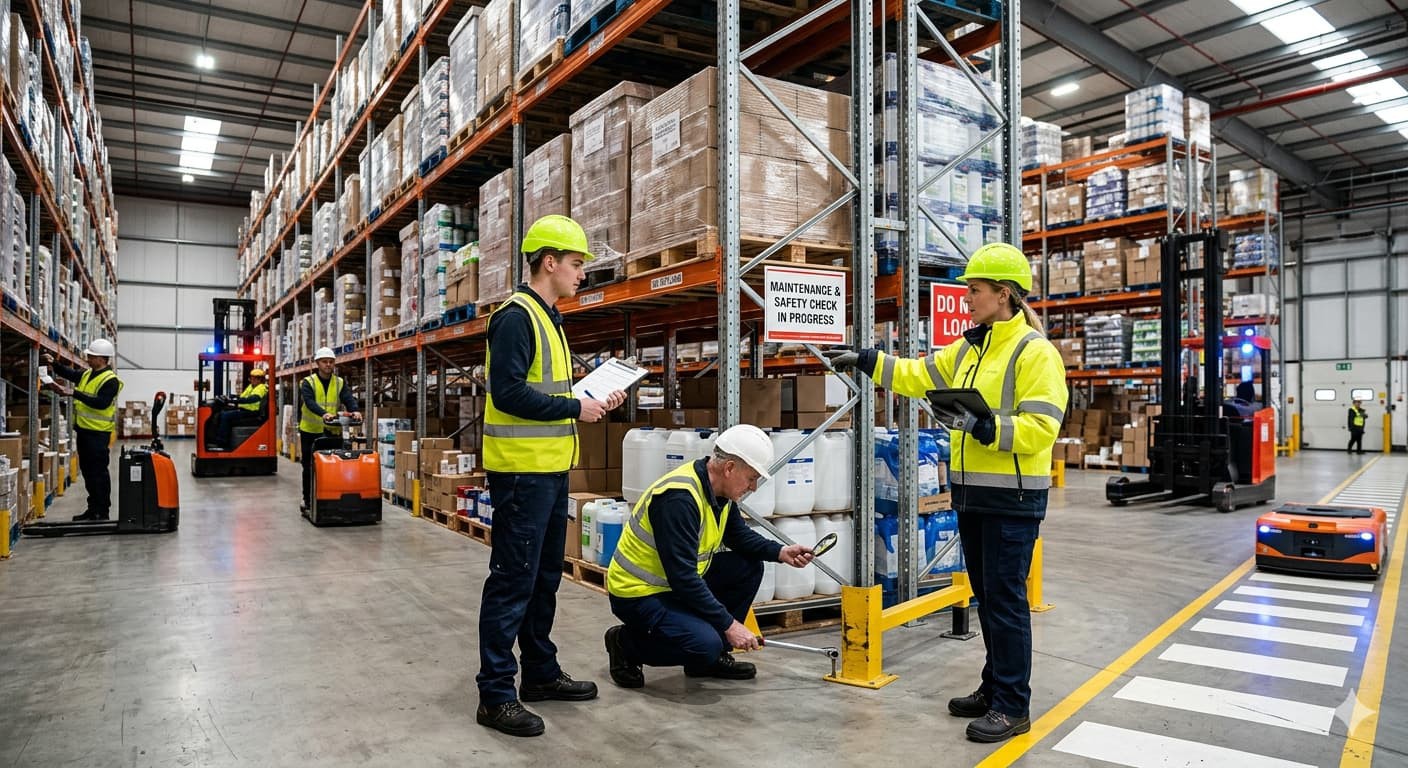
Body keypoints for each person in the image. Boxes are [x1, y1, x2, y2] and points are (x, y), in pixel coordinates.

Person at [825, 242, 1068, 744]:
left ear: (1003, 294)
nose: (967, 299)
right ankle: (993, 687)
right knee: (988, 598)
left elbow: (1042, 428)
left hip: (1012, 500)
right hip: (973, 495)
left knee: (1004, 602)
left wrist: (986, 428)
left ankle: (1012, 705)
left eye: (975, 291)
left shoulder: (1034, 353)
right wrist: (870, 360)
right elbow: (918, 376)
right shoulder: (970, 348)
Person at [476, 214, 627, 738]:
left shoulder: (549, 317)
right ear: (549, 262)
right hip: (521, 476)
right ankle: (496, 694)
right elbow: (509, 392)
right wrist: (573, 407)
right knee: (512, 581)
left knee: (542, 580)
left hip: (549, 471)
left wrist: (591, 394)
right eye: (577, 263)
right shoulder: (517, 316)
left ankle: (539, 673)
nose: (582, 273)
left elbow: (546, 386)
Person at [603, 424, 816, 689]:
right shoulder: (678, 499)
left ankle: (706, 661)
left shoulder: (719, 492)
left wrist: (780, 552)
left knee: (747, 567)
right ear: (729, 468)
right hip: (639, 593)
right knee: (705, 644)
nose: (753, 486)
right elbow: (683, 578)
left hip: (673, 584)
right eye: (751, 478)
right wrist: (730, 625)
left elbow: (737, 536)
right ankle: (626, 644)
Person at [42, 340, 124, 521]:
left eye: (91, 356)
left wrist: (73, 393)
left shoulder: (111, 381)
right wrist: (53, 363)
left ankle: (102, 511)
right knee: (88, 472)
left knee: (98, 473)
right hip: (84, 432)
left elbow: (101, 403)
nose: (88, 358)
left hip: (98, 434)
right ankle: (92, 508)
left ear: (102, 359)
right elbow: (71, 374)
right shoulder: (88, 374)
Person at [298, 348, 361, 513]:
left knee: (334, 465)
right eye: (325, 361)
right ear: (318, 363)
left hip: (332, 431)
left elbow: (347, 397)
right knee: (309, 466)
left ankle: (331, 498)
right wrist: (323, 413)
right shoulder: (308, 382)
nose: (328, 365)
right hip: (310, 432)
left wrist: (354, 410)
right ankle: (308, 500)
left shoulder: (339, 382)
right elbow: (310, 402)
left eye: (331, 361)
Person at [212, 367, 269, 450]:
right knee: (223, 412)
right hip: (245, 409)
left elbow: (252, 399)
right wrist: (232, 397)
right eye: (251, 378)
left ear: (259, 379)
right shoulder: (251, 386)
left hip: (252, 412)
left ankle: (222, 442)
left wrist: (234, 401)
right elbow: (243, 396)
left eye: (253, 379)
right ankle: (221, 438)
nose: (251, 380)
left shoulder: (261, 388)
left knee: (226, 416)